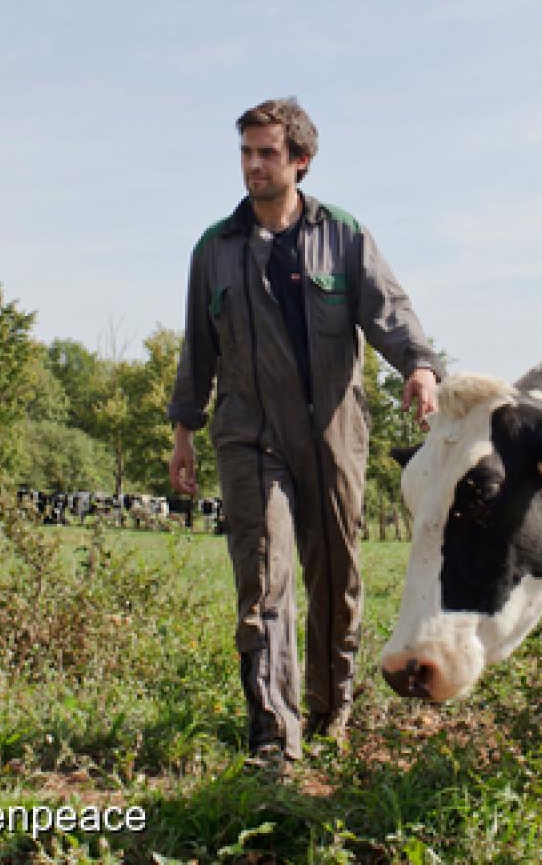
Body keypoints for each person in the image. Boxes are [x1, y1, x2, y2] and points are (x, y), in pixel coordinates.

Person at [167, 97, 442, 768]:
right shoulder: (215, 249)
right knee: (263, 583)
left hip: (332, 435)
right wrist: (182, 433)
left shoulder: (343, 236)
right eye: (246, 153)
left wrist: (421, 368)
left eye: (267, 153)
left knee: (337, 579)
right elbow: (197, 349)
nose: (253, 165)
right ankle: (272, 736)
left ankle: (329, 708)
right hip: (248, 437)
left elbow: (390, 313)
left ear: (300, 161)